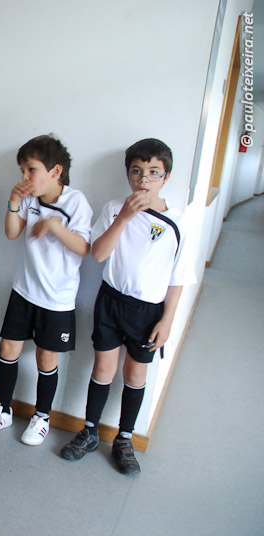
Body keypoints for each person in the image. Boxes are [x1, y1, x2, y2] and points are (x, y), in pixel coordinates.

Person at [60, 138, 194, 475]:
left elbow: (177, 278)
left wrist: (167, 320)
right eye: (136, 172)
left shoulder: (177, 222)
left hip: (148, 311)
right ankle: (90, 431)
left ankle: (124, 438)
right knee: (102, 369)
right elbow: (99, 254)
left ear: (166, 177)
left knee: (135, 374)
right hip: (111, 301)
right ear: (128, 175)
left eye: (153, 172)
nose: (144, 179)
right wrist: (123, 218)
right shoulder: (113, 209)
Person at [0, 135, 92, 445]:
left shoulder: (76, 202)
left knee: (46, 358)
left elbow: (83, 248)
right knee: (7, 348)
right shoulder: (30, 198)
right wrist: (14, 203)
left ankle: (42, 417)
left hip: (57, 299)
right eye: (22, 171)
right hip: (24, 289)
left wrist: (54, 226)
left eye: (31, 170)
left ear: (56, 171)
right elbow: (12, 233)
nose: (25, 177)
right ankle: (3, 409)